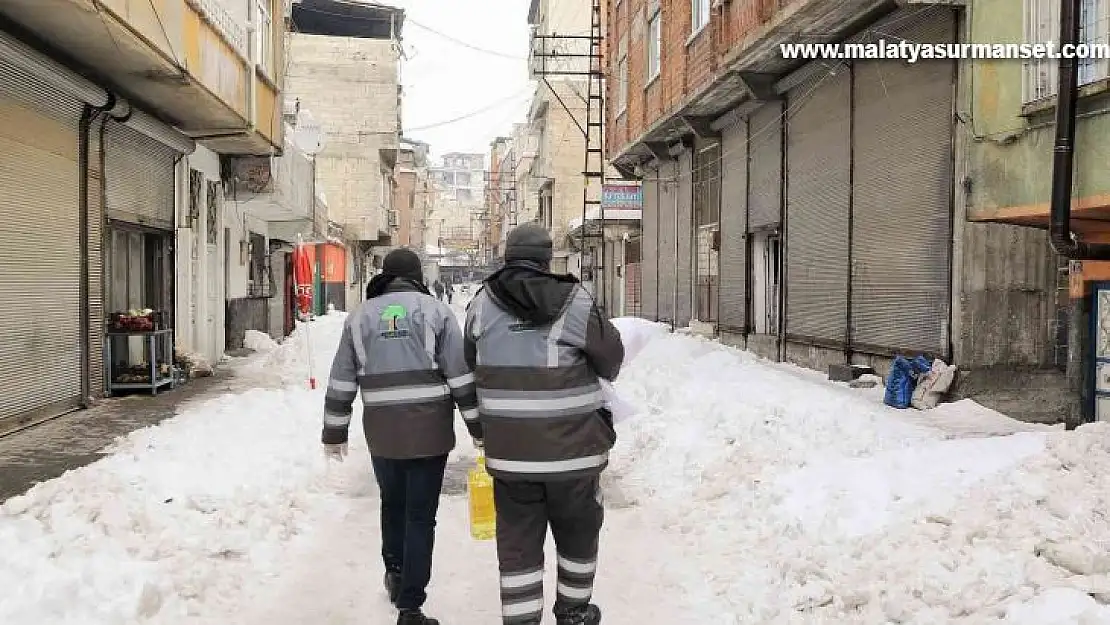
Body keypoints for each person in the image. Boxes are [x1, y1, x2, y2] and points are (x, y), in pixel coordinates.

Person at [463, 223, 625, 625]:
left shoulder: (481, 304)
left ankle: (521, 619)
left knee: (518, 544)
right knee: (578, 534)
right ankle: (573, 613)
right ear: (546, 258)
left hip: (512, 456)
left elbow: (471, 366)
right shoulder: (575, 301)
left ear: (507, 256)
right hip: (574, 454)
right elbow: (612, 358)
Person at [323, 248, 481, 625]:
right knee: (420, 516)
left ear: (384, 275)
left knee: (391, 504)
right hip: (430, 433)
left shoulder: (360, 317)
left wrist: (334, 430)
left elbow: (342, 377)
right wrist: (478, 427)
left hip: (382, 432)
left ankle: (394, 574)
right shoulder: (436, 312)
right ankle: (411, 605)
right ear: (417, 276)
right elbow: (460, 376)